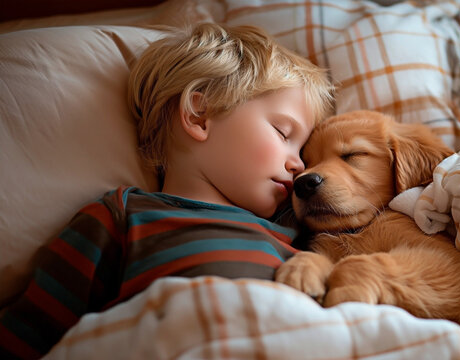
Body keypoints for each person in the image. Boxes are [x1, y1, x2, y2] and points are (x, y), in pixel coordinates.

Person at [0, 22, 334, 360]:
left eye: (303, 151)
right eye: (282, 132)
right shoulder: (123, 218)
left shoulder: (300, 227)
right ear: (200, 115)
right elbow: (25, 338)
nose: (299, 165)